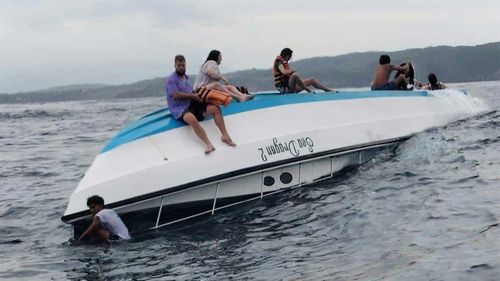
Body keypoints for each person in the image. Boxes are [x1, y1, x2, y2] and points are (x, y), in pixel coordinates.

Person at [165, 54, 236, 154]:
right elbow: (176, 95)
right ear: (175, 66)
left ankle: (225, 136)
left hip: (191, 103)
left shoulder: (186, 77)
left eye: (183, 65)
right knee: (191, 119)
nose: (181, 67)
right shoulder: (171, 80)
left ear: (185, 65)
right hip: (179, 108)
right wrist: (193, 96)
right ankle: (208, 144)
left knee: (215, 108)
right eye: (179, 65)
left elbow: (191, 91)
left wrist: (199, 96)